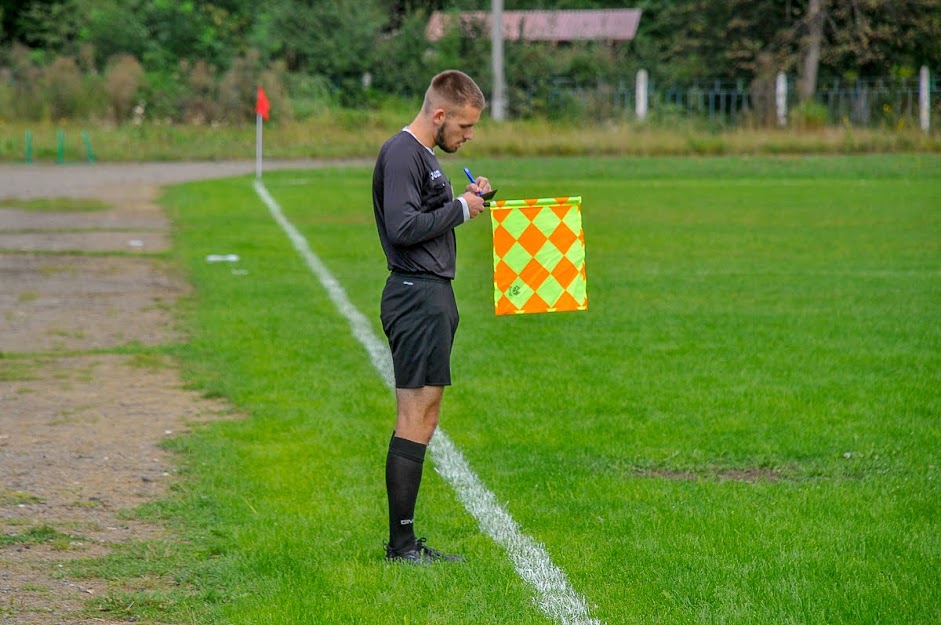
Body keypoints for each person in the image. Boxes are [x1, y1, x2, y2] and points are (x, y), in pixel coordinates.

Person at [372, 70, 490, 564]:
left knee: (425, 413)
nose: (468, 136)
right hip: (415, 295)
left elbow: (427, 210)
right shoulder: (403, 153)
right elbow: (402, 227)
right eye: (463, 126)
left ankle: (404, 544)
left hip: (429, 295)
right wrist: (461, 210)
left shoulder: (427, 158)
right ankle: (401, 546)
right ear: (439, 114)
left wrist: (470, 196)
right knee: (415, 416)